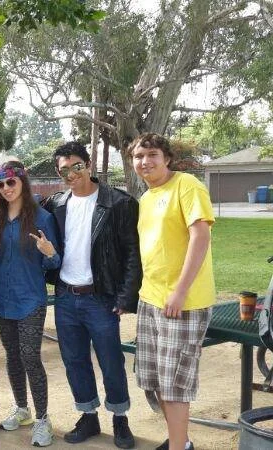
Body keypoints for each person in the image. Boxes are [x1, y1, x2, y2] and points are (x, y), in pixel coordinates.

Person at [42, 141, 140, 449]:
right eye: (64, 170)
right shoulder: (56, 204)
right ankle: (88, 415)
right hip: (65, 296)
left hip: (101, 297)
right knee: (74, 360)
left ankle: (120, 418)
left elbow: (132, 253)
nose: (71, 174)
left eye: (77, 166)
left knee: (111, 360)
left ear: (89, 165)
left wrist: (125, 297)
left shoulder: (118, 203)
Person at [131, 133, 215, 450]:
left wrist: (180, 291)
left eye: (152, 154)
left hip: (183, 302)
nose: (145, 161)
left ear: (166, 158)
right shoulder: (146, 198)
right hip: (150, 299)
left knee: (174, 384)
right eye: (138, 156)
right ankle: (182, 442)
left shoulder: (187, 185)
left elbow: (200, 237)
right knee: (153, 380)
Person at [0, 161, 60, 447]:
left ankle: (43, 419)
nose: (6, 188)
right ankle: (22, 409)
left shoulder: (42, 218)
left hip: (30, 298)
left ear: (22, 182)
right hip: (0, 298)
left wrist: (50, 252)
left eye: (11, 182)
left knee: (30, 356)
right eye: (0, 184)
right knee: (12, 356)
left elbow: (54, 263)